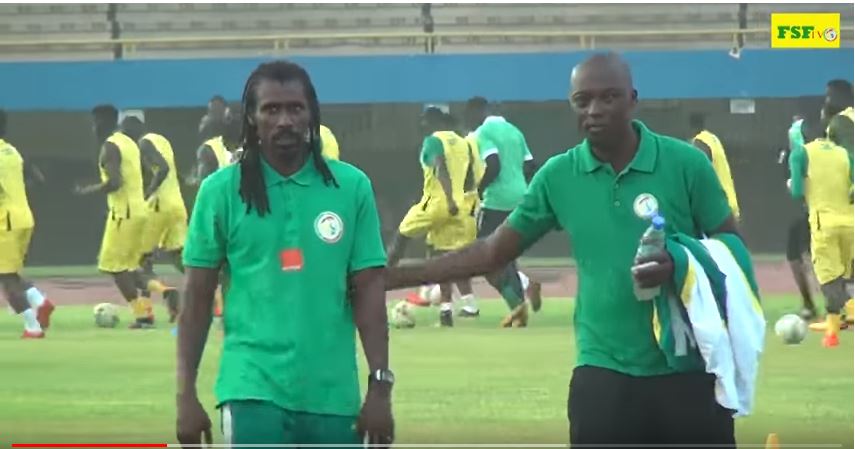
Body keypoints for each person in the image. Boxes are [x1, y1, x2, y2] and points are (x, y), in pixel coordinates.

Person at [386, 53, 742, 446]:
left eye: (609, 97)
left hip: (687, 369)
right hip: (602, 373)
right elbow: (491, 253)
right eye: (582, 100)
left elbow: (731, 247)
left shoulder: (685, 164)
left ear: (633, 99)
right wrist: (395, 277)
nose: (595, 110)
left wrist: (678, 261)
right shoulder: (559, 176)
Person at [176, 60, 393, 447]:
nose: (284, 121)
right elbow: (196, 297)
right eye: (271, 109)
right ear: (252, 118)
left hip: (333, 395)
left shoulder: (351, 187)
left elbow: (370, 290)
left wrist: (380, 386)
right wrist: (185, 395)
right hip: (250, 389)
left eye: (295, 108)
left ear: (312, 113)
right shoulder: (220, 191)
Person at [76, 104, 179, 328]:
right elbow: (140, 173)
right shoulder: (129, 144)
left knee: (114, 268)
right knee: (130, 267)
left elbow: (115, 182)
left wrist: (88, 191)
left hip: (124, 214)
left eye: (94, 122)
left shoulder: (110, 147)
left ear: (102, 122)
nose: (93, 127)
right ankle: (165, 291)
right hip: (139, 210)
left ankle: (143, 315)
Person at [386, 108, 477, 327]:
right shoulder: (463, 142)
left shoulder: (433, 141)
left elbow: (439, 166)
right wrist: (461, 202)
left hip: (437, 202)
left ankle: (378, 282)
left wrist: (448, 199)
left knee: (400, 237)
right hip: (460, 204)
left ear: (435, 121)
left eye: (425, 120)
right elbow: (470, 176)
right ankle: (446, 311)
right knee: (443, 257)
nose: (422, 124)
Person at [463, 96, 541, 326]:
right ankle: (520, 303)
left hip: (496, 201)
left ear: (477, 112)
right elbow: (531, 166)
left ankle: (517, 304)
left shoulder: (483, 133)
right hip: (520, 198)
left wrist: (479, 189)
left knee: (484, 258)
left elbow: (493, 165)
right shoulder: (515, 132)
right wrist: (521, 188)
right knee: (508, 256)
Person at [789, 104, 854, 348]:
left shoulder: (801, 153)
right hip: (850, 221)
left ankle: (832, 332)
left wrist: (795, 184)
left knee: (828, 277)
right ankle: (846, 313)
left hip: (823, 223)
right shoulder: (843, 153)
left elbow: (796, 192)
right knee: (846, 274)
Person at [120, 116, 185, 320]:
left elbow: (163, 168)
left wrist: (148, 193)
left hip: (159, 205)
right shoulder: (162, 140)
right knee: (182, 259)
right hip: (177, 205)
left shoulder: (144, 143)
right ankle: (214, 301)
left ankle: (150, 310)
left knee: (140, 262)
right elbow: (173, 170)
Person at [0, 108, 55, 338]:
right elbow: (36, 178)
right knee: (9, 272)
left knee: (5, 277)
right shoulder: (11, 150)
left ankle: (33, 328)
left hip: (7, 220)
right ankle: (40, 301)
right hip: (23, 216)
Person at [782, 115, 819, 320]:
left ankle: (814, 304)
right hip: (810, 213)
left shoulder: (801, 154)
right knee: (799, 256)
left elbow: (796, 189)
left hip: (815, 212)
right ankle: (813, 304)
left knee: (808, 257)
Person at [690, 113, 740, 220]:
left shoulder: (700, 142)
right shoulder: (712, 139)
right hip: (728, 204)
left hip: (718, 208)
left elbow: (698, 172)